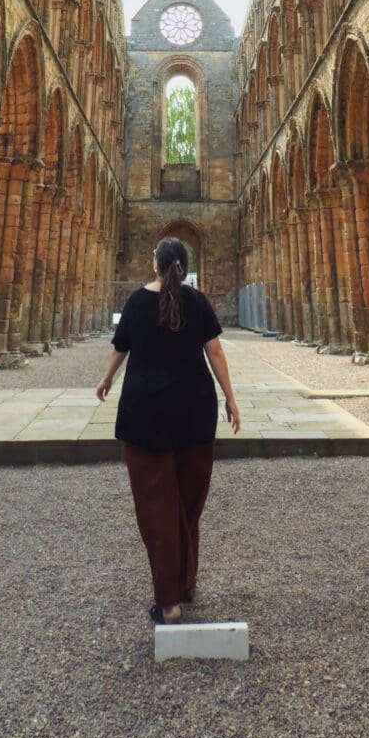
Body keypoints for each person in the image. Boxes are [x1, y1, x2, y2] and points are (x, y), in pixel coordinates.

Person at [96, 236, 241, 625]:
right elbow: (216, 352)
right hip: (195, 411)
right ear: (184, 265)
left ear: (156, 265)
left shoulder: (137, 301)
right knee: (187, 507)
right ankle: (185, 583)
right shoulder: (198, 301)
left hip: (146, 413)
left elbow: (120, 346)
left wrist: (106, 379)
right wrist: (230, 398)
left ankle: (171, 602)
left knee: (157, 507)